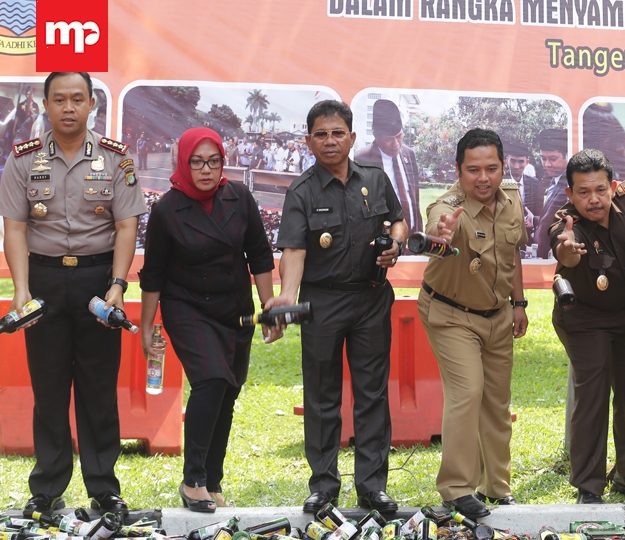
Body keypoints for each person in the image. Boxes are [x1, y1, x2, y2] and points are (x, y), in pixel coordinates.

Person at [0, 71, 147, 516]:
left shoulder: (116, 158)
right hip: (42, 281)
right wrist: (21, 290)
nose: (68, 107)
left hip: (97, 283)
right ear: (44, 104)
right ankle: (46, 488)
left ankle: (104, 488)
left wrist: (118, 286)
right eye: (59, 99)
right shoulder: (22, 159)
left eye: (77, 99)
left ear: (90, 105)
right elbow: (16, 228)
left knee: (98, 387)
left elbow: (126, 226)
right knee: (48, 389)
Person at [266, 100, 407, 515]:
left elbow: (398, 220)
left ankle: (372, 487)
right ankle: (324, 485)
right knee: (323, 395)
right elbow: (293, 249)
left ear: (352, 137)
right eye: (321, 134)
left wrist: (396, 244)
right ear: (308, 141)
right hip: (322, 302)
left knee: (372, 395)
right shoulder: (302, 191)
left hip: (370, 299)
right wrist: (288, 296)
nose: (330, 141)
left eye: (337, 133)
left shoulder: (376, 179)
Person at [138, 127, 278, 513]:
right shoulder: (167, 208)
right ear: (183, 162)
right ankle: (193, 479)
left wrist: (269, 306)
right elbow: (153, 274)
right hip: (187, 305)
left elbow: (260, 255)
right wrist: (147, 325)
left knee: (228, 390)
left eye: (213, 162)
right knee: (212, 379)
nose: (206, 170)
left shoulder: (239, 196)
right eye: (197, 162)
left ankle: (213, 479)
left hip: (236, 306)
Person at [418, 128, 527, 519]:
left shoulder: (511, 199)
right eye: (473, 170)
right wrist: (440, 234)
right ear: (458, 170)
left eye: (492, 168)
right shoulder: (450, 206)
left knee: (496, 401)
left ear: (503, 166)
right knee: (468, 393)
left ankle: (496, 485)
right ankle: (456, 488)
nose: (483, 178)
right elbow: (438, 225)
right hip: (450, 314)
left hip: (497, 315)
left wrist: (519, 303)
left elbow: (511, 254)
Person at [549, 149, 625, 504]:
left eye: (599, 190)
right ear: (570, 194)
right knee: (592, 397)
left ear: (612, 187)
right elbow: (563, 252)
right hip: (585, 318)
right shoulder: (564, 224)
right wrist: (568, 251)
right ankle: (589, 487)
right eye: (583, 192)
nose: (593, 199)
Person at [354, 99, 423, 236]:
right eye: (389, 139)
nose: (396, 143)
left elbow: (414, 200)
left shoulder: (409, 154)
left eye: (399, 136)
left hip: (412, 239)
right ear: (376, 136)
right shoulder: (360, 159)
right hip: (382, 241)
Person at [534, 128, 569, 258]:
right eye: (543, 158)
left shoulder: (569, 184)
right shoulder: (555, 180)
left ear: (567, 155)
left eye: (552, 159)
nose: (547, 164)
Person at [503, 140, 541, 248]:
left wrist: (532, 221)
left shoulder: (535, 184)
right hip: (504, 237)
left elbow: (539, 212)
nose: (516, 166)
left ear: (527, 162)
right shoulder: (498, 182)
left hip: (529, 238)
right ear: (506, 160)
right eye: (513, 161)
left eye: (521, 162)